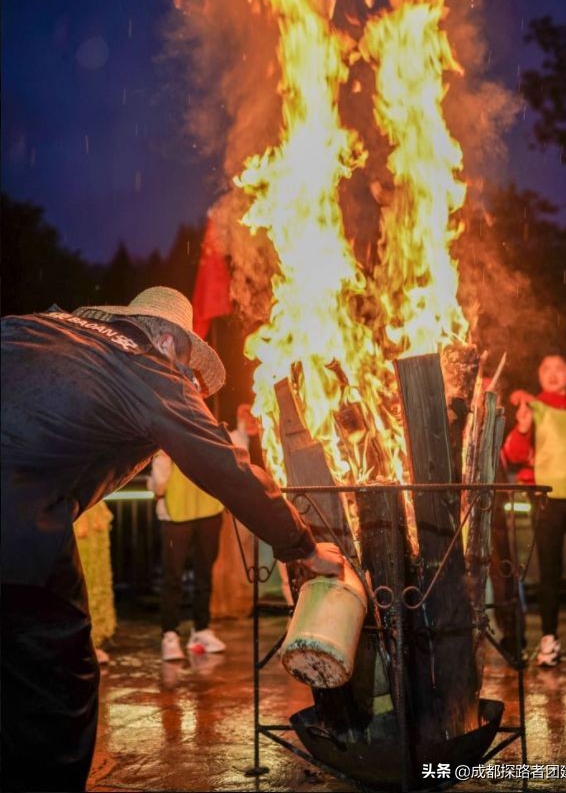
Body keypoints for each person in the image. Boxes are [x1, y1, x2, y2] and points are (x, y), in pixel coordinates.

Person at [1, 286, 342, 792]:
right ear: (167, 342)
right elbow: (227, 467)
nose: (192, 385)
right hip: (17, 526)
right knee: (55, 679)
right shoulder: (148, 367)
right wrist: (304, 546)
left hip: (27, 504)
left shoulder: (38, 326)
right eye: (189, 368)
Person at [503, 352, 566, 667]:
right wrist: (523, 427)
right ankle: (549, 641)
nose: (553, 373)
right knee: (548, 574)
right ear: (539, 375)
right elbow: (513, 453)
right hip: (547, 502)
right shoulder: (533, 407)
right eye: (546, 368)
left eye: (560, 368)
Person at [148, 452, 226, 660]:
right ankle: (170, 634)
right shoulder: (168, 442)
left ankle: (201, 629)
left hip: (209, 510)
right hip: (174, 514)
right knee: (173, 576)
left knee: (204, 574)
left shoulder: (206, 436)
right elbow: (159, 486)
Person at [74, 500, 117, 665]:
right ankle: (80, 642)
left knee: (97, 578)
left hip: (92, 513)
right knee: (79, 577)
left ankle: (92, 641)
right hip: (72, 511)